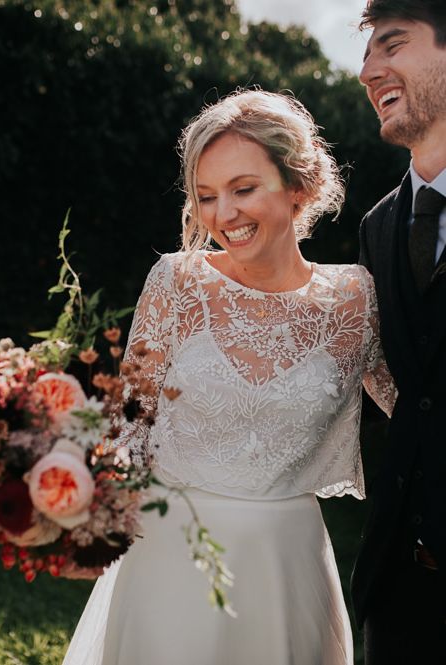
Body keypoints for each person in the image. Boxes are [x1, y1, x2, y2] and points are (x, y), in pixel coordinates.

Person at [62, 89, 395, 665]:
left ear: (300, 186)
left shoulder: (354, 299)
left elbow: (418, 407)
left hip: (286, 567)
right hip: (170, 557)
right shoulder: (175, 283)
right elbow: (130, 424)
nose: (224, 215)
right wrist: (71, 502)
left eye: (244, 189)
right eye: (207, 196)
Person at [352, 1, 446, 662]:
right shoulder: (375, 226)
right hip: (396, 590)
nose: (367, 70)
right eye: (363, 54)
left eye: (392, 44)